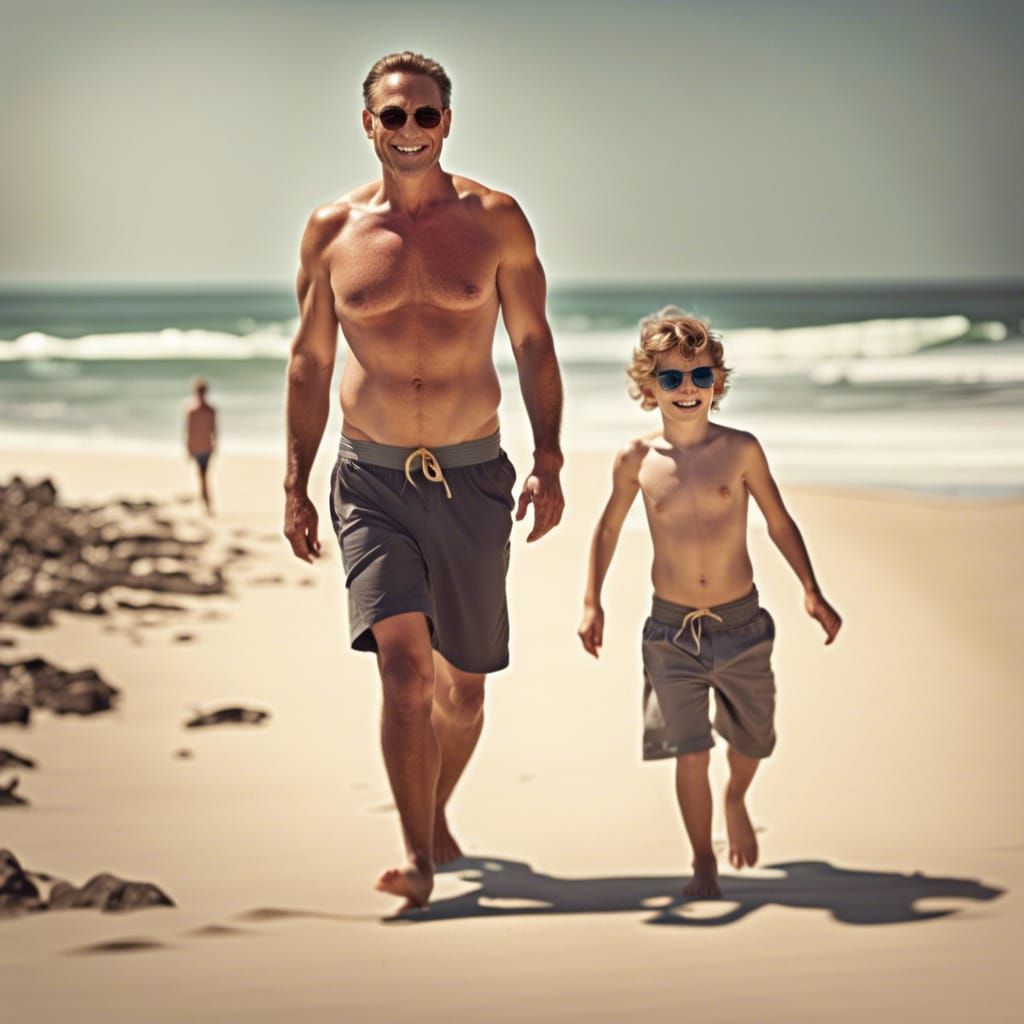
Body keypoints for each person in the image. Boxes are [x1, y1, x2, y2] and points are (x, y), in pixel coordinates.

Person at [282, 51, 564, 912]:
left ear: (447, 122)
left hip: (472, 476)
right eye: (393, 115)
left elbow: (533, 346)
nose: (409, 129)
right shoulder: (331, 231)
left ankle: (434, 811)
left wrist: (549, 457)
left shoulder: (497, 222)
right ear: (368, 124)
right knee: (404, 672)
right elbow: (310, 362)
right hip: (370, 478)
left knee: (463, 690)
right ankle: (417, 857)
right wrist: (296, 481)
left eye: (425, 114)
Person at [578, 308, 841, 899]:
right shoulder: (636, 460)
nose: (687, 390)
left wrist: (811, 589)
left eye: (699, 377)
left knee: (753, 740)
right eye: (671, 379)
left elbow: (778, 522)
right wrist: (592, 602)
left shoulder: (741, 450)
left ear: (717, 384)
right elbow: (607, 529)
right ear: (649, 388)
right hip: (670, 634)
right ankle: (702, 861)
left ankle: (737, 797)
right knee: (689, 752)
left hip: (742, 624)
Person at [184, 377, 217, 514]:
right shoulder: (192, 411)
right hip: (198, 448)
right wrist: (188, 448)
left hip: (205, 447)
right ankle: (206, 502)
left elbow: (214, 430)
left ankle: (206, 502)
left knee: (203, 476)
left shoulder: (208, 410)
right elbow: (189, 431)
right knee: (202, 476)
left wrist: (215, 445)